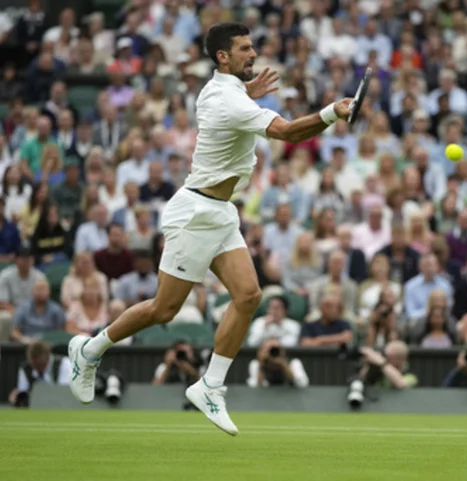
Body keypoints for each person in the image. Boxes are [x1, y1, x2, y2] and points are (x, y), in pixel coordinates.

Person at [69, 23, 355, 436]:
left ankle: (210, 385)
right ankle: (90, 350)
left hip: (221, 212)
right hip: (195, 214)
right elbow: (290, 133)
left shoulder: (223, 91)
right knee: (163, 309)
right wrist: (333, 112)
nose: (252, 54)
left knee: (249, 295)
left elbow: (237, 102)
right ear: (222, 56)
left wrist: (249, 91)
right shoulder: (227, 100)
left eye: (252, 46)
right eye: (243, 48)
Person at [8, 341, 71, 407]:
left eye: (40, 365)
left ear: (47, 356)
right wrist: (17, 397)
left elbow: (65, 392)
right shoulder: (26, 369)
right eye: (34, 365)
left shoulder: (64, 364)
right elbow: (23, 394)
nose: (37, 369)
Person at [10, 279, 66, 343]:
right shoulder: (23, 308)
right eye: (37, 289)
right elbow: (14, 332)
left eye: (43, 289)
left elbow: (60, 334)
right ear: (32, 290)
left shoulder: (57, 310)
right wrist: (24, 339)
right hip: (26, 345)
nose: (40, 292)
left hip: (49, 345)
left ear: (49, 291)